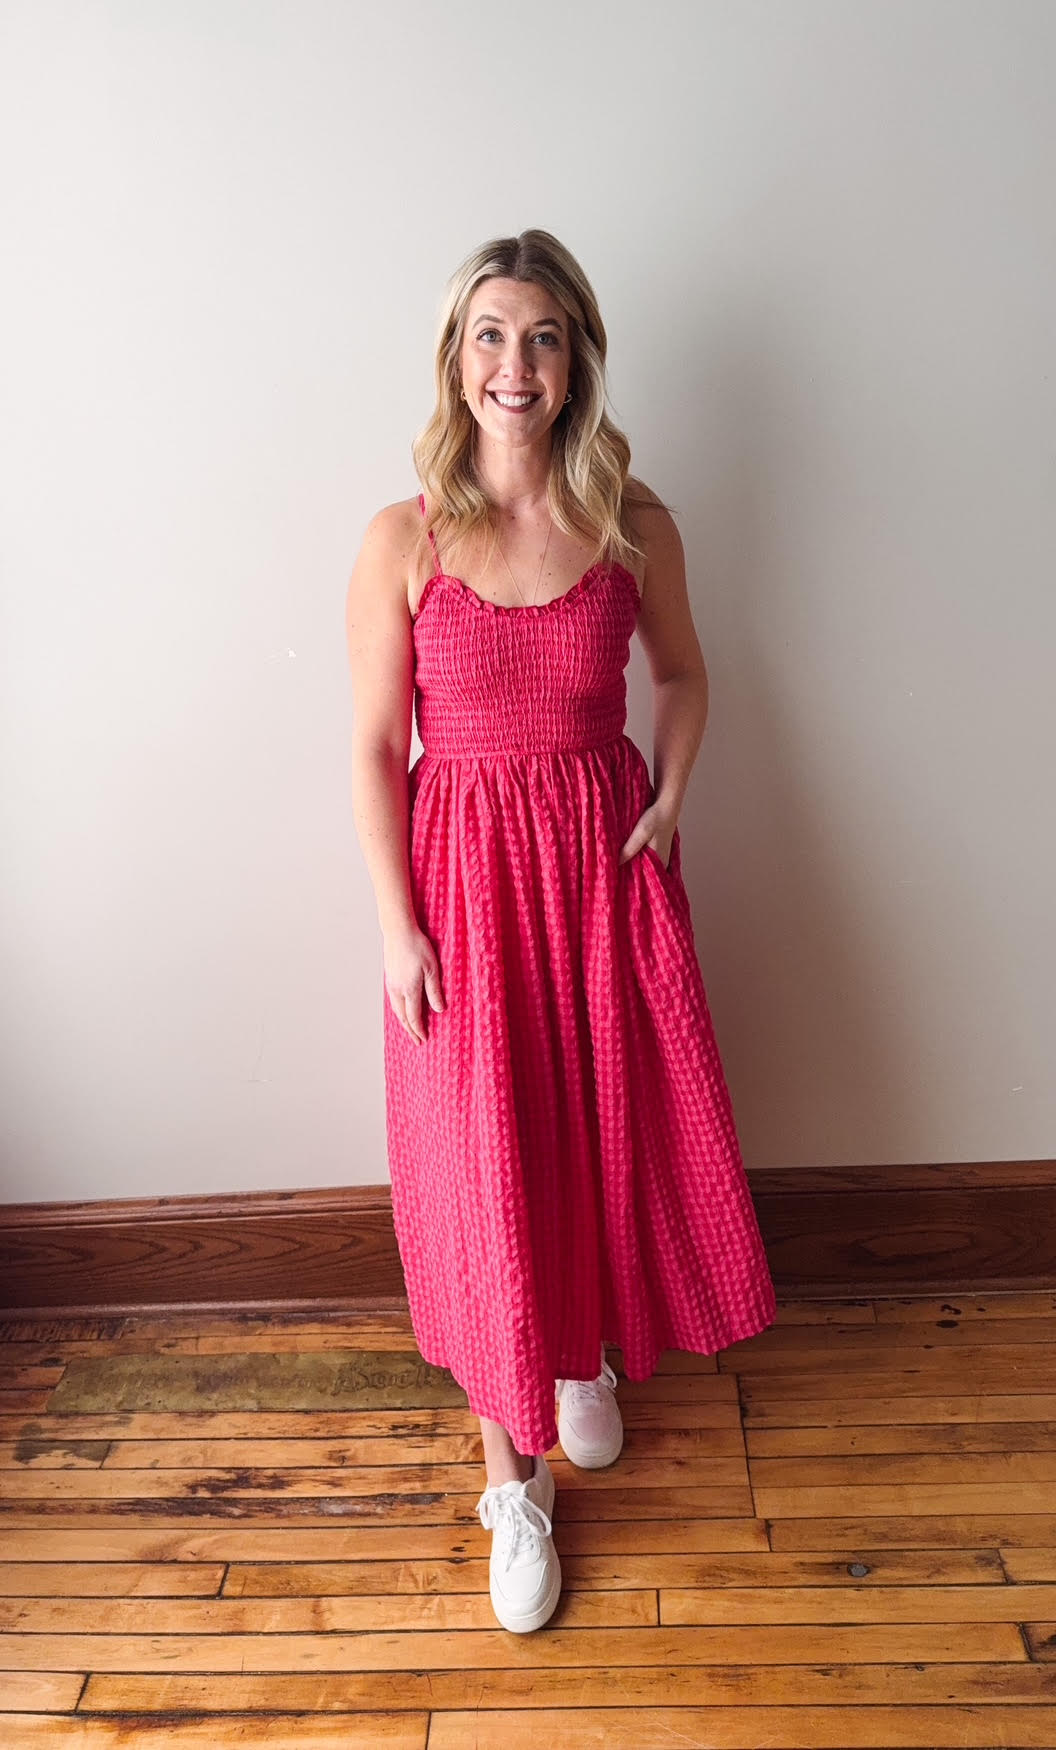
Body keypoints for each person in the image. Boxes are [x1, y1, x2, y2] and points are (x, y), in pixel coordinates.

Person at [345, 228, 777, 1634]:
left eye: (541, 335)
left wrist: (673, 798)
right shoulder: (403, 538)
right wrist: (397, 925)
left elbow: (687, 676)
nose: (514, 364)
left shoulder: (632, 523)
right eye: (489, 333)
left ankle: (578, 1351)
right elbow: (373, 747)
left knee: (599, 1124)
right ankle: (511, 1484)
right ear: (455, 356)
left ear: (578, 356)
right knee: (487, 1162)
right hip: (465, 892)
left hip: (599, 871)